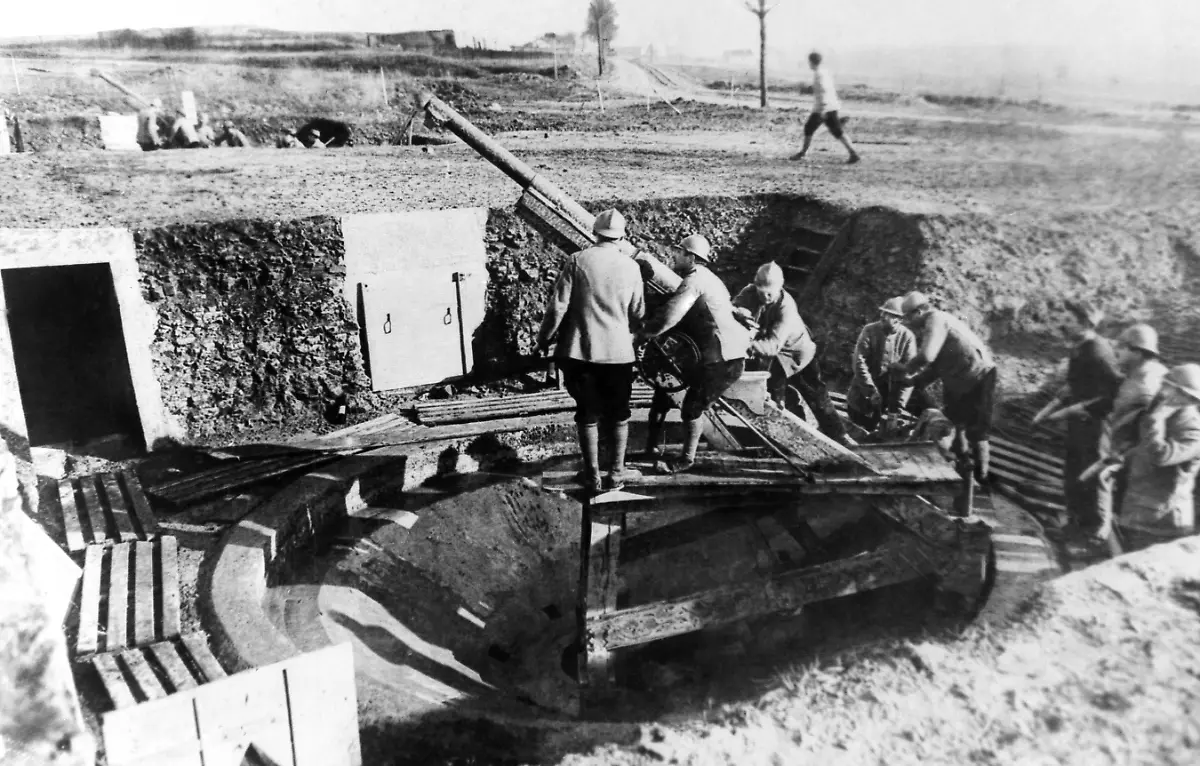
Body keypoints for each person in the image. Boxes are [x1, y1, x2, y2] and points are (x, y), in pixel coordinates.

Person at [536, 209, 645, 495]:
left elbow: (558, 306)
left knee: (587, 413)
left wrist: (543, 338)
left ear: (594, 232)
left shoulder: (578, 260)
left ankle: (593, 474)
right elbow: (638, 311)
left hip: (580, 352)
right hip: (619, 354)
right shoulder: (631, 267)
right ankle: (617, 472)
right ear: (622, 237)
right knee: (620, 413)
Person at [639, 234, 749, 473]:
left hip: (723, 358)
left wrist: (644, 334)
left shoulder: (694, 281)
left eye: (679, 252)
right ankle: (652, 447)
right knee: (664, 393)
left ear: (690, 257)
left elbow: (671, 315)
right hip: (716, 353)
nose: (674, 255)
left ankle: (686, 460)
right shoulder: (709, 279)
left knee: (691, 408)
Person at [732, 261, 849, 444]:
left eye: (770, 292)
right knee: (776, 396)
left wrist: (746, 343)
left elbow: (772, 345)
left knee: (815, 394)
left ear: (780, 287)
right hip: (774, 357)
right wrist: (742, 312)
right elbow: (736, 306)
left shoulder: (786, 307)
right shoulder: (750, 291)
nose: (766, 296)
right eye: (761, 292)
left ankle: (839, 435)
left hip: (797, 353)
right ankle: (793, 437)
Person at [891, 291, 996, 483]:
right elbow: (935, 367)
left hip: (978, 375)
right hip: (958, 379)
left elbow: (927, 357)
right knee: (957, 425)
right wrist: (914, 382)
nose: (907, 323)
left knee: (978, 432)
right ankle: (963, 469)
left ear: (920, 311)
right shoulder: (933, 325)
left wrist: (905, 369)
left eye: (908, 318)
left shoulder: (936, 320)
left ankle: (982, 479)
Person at [1046, 302, 1123, 537]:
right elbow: (1078, 382)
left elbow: (1113, 393)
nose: (1064, 323)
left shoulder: (1098, 351)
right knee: (1074, 471)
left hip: (1096, 424)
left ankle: (1096, 532)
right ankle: (1075, 523)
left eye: (1070, 320)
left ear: (1085, 324)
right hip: (1079, 422)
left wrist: (1081, 408)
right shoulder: (1080, 347)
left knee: (1093, 473)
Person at [1091, 323, 1168, 548]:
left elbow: (1133, 425)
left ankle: (1102, 539)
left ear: (1138, 352)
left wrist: (1120, 454)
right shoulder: (1150, 373)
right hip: (1136, 454)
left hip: (1138, 458)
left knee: (1108, 485)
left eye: (1122, 348)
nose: (1117, 353)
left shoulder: (1144, 385)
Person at [1113, 363, 1200, 552]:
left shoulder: (1193, 430)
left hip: (1163, 522)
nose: (1161, 390)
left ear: (1185, 396)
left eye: (1167, 386)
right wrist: (1122, 459)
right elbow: (1143, 447)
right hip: (1138, 511)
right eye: (1164, 384)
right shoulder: (1165, 414)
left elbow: (1160, 456)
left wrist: (1156, 419)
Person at [845, 296, 924, 432]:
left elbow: (909, 373)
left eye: (888, 314)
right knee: (852, 425)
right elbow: (859, 362)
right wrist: (870, 391)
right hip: (860, 394)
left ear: (899, 319)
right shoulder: (870, 330)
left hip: (886, 399)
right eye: (883, 312)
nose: (882, 316)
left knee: (873, 431)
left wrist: (897, 408)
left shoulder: (907, 338)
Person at [790, 51, 861, 164]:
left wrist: (822, 110)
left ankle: (802, 153)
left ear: (811, 62)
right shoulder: (824, 72)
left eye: (809, 62)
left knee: (809, 128)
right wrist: (809, 88)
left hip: (823, 108)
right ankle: (853, 153)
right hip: (831, 106)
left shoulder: (818, 74)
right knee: (837, 131)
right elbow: (823, 88)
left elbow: (823, 90)